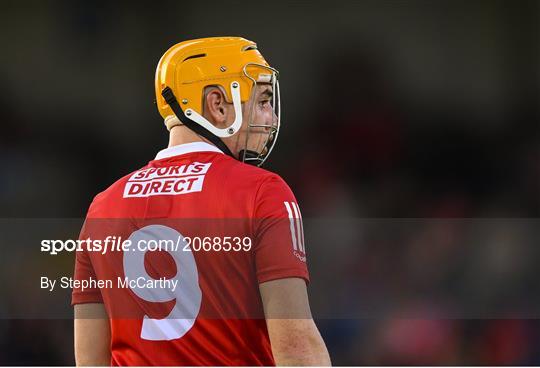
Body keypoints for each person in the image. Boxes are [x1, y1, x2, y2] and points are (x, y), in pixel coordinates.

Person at [72, 37, 330, 366]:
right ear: (218, 104)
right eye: (263, 100)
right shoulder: (263, 191)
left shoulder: (102, 206)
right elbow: (296, 347)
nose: (273, 118)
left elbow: (89, 360)